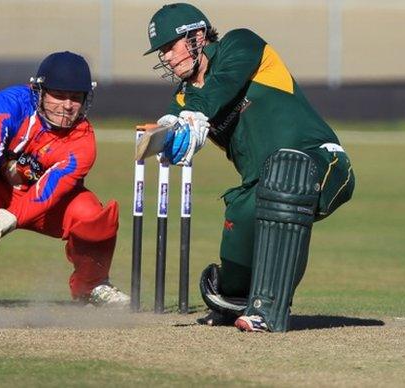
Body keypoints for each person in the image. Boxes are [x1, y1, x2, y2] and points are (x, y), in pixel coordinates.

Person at [143, 3, 355, 332]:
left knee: (286, 184)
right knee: (244, 210)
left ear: (197, 36)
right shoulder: (185, 99)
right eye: (162, 52)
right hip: (261, 187)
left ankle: (267, 309)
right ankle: (230, 296)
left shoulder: (241, 44)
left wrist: (193, 116)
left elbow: (221, 84)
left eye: (170, 46)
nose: (167, 57)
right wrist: (166, 139)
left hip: (322, 162)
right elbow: (174, 123)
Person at [0, 51, 129, 308]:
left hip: (47, 205)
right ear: (39, 91)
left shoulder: (83, 141)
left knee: (94, 217)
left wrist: (2, 222)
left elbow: (47, 192)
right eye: (59, 95)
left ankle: (93, 285)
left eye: (75, 98)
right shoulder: (9, 104)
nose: (67, 105)